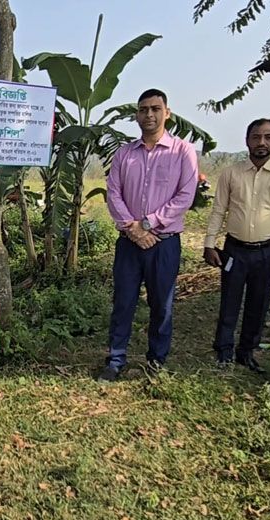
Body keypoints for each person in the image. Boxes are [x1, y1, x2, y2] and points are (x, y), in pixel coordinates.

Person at [102, 89, 199, 381]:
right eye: (143, 109)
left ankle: (156, 360)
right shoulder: (124, 153)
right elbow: (113, 193)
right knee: (124, 301)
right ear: (136, 115)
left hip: (164, 244)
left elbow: (185, 196)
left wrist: (147, 224)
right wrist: (132, 229)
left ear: (166, 113)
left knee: (162, 304)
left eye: (155, 108)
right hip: (129, 243)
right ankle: (116, 358)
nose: (149, 114)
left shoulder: (183, 151)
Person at [203, 118, 270, 373]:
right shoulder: (231, 173)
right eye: (256, 137)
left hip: (268, 251)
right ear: (247, 140)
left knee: (259, 303)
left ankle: (247, 351)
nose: (262, 143)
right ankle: (224, 350)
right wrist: (209, 243)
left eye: (268, 137)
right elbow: (218, 210)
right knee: (229, 302)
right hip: (235, 250)